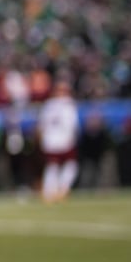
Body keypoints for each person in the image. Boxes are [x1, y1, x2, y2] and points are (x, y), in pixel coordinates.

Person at [37, 75, 80, 203]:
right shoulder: (68, 104)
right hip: (63, 140)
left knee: (53, 166)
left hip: (50, 141)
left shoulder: (48, 105)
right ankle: (61, 189)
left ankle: (50, 191)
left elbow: (41, 126)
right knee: (69, 165)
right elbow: (72, 125)